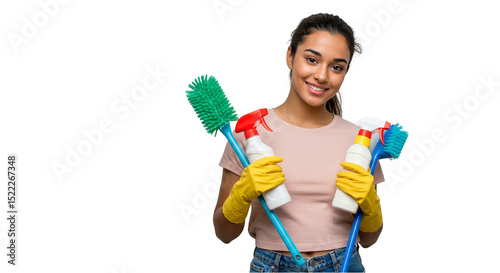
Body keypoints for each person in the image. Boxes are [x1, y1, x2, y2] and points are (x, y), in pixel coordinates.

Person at [214, 13, 384, 272]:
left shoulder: (361, 141)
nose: (322, 75)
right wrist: (241, 196)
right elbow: (224, 234)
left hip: (345, 263)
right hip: (272, 265)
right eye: (312, 59)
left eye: (336, 67)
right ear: (290, 56)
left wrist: (371, 207)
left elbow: (370, 239)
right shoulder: (248, 135)